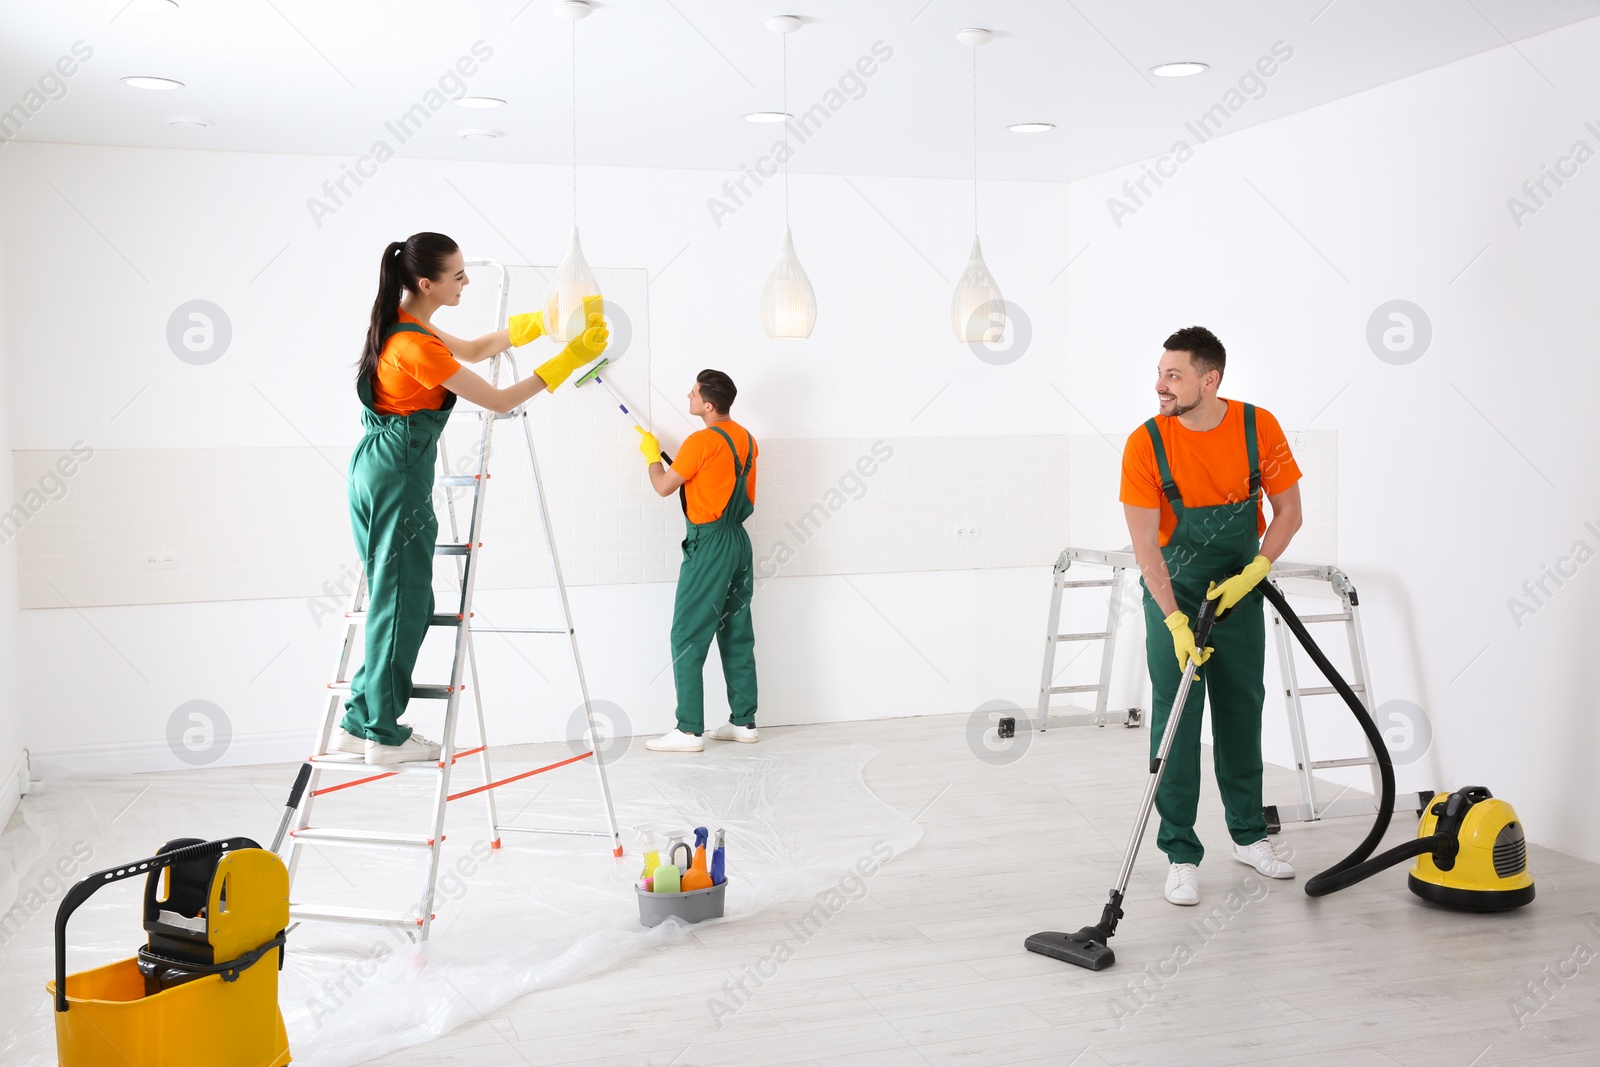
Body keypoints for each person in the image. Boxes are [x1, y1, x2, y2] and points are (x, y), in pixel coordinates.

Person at [330, 232, 608, 765]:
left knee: (393, 595)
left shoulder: (406, 324)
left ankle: (359, 720)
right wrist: (568, 360)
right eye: (458, 275)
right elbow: (500, 402)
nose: (467, 281)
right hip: (398, 471)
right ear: (425, 282)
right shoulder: (415, 345)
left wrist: (542, 325)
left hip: (374, 465)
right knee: (406, 599)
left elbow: (478, 349)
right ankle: (383, 735)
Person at [1119, 326, 1303, 905]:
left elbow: (1290, 513)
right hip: (1173, 590)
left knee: (1242, 711)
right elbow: (1146, 546)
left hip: (1238, 592)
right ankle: (1179, 852)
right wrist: (1173, 620)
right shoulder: (1146, 443)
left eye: (1173, 375)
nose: (1160, 385)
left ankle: (1249, 837)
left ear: (1210, 378)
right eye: (1160, 373)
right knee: (1178, 720)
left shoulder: (1258, 428)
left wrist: (1255, 572)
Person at [635, 370, 759, 752]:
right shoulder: (748, 439)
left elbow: (662, 486)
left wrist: (651, 458)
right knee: (736, 630)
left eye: (693, 393)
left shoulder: (699, 441)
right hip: (739, 540)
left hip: (710, 546)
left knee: (687, 634)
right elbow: (718, 482)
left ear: (708, 404)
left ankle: (688, 730)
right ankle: (744, 723)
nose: (687, 396)